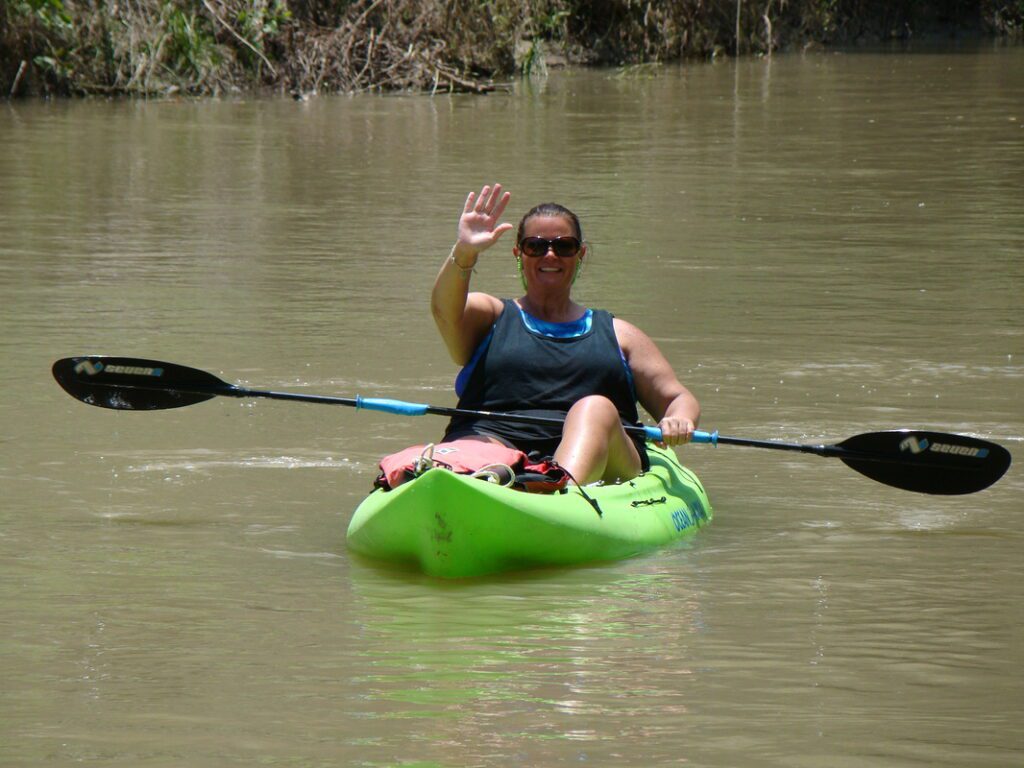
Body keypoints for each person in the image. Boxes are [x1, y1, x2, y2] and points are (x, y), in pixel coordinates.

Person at [431, 183, 700, 485]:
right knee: (473, 446)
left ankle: (556, 489)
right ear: (518, 253)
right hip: (494, 441)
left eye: (564, 246)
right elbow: (444, 310)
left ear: (580, 254)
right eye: (536, 246)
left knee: (594, 407)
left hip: (600, 455)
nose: (550, 255)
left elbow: (677, 397)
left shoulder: (620, 335)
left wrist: (679, 419)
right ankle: (489, 482)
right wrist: (464, 252)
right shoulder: (489, 316)